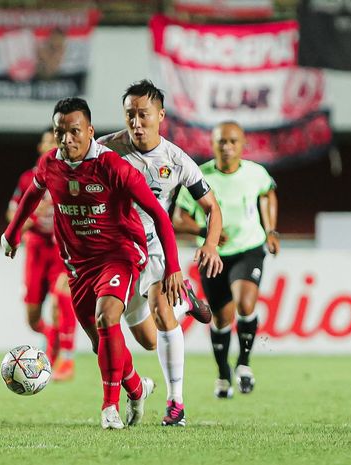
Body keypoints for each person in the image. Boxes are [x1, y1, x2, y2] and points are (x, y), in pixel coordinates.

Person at [2, 97, 188, 430]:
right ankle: (137, 387)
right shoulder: (50, 164)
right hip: (78, 265)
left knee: (107, 318)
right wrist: (12, 233)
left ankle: (109, 408)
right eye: (60, 132)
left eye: (74, 132)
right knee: (99, 340)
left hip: (119, 256)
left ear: (89, 131)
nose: (66, 140)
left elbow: (160, 215)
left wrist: (173, 266)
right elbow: (33, 192)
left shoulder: (112, 166)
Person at [97, 79, 223, 426]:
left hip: (155, 246)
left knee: (160, 308)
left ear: (161, 116)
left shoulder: (176, 160)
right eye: (130, 115)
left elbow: (212, 206)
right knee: (148, 341)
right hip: (116, 252)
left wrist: (210, 244)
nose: (136, 122)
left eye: (143, 114)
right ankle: (185, 303)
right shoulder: (104, 149)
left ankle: (176, 403)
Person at [173, 121, 280, 399]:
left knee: (246, 303)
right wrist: (204, 231)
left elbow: (268, 193)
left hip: (249, 247)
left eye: (233, 141)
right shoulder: (199, 177)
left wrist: (270, 230)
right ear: (213, 144)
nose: (227, 147)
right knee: (221, 318)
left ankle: (244, 364)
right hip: (213, 255)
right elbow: (177, 219)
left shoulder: (256, 174)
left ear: (243, 144)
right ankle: (223, 374)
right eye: (222, 141)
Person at [6, 128, 77, 381]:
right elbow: (12, 216)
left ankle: (67, 361)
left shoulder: (70, 176)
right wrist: (35, 214)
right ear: (40, 147)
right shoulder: (28, 179)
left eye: (56, 143)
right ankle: (51, 338)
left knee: (63, 296)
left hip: (61, 248)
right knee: (33, 319)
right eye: (48, 141)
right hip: (36, 248)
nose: (52, 146)